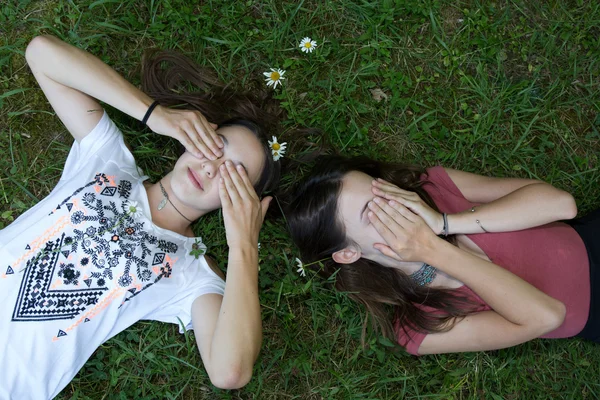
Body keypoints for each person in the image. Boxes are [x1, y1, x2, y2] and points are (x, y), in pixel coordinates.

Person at [1, 35, 281, 398]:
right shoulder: (108, 158)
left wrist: (244, 243)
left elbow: (230, 371)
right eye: (216, 148)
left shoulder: (190, 272)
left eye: (234, 176)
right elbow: (41, 54)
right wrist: (153, 114)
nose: (212, 168)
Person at [285, 155, 599, 356]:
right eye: (373, 211)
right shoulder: (419, 328)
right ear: (348, 253)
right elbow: (547, 316)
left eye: (382, 192)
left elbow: (560, 204)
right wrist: (433, 250)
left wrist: (446, 223)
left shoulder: (432, 189)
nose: (396, 205)